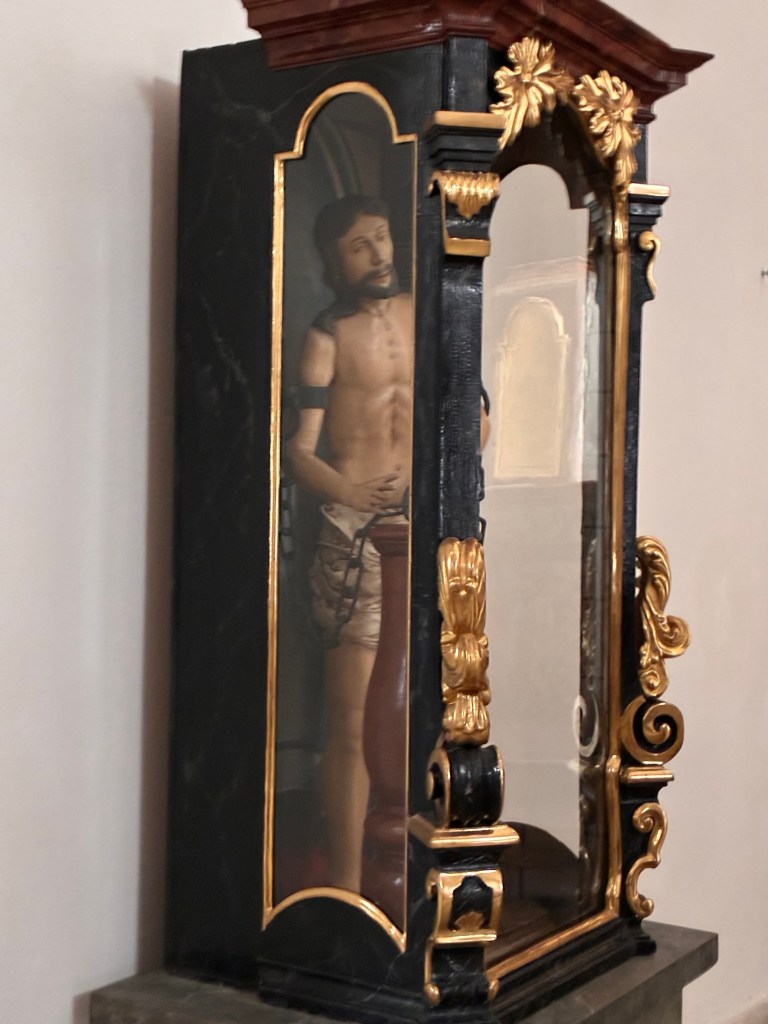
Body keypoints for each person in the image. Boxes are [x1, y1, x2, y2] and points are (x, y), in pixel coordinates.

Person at [285, 195, 413, 893]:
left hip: (424, 532)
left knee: (429, 707)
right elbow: (298, 453)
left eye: (382, 237)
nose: (378, 254)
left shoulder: (423, 314)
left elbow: (472, 408)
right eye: (360, 246)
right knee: (356, 719)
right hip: (354, 539)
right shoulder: (326, 336)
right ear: (336, 263)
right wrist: (348, 490)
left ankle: (412, 871)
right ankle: (345, 884)